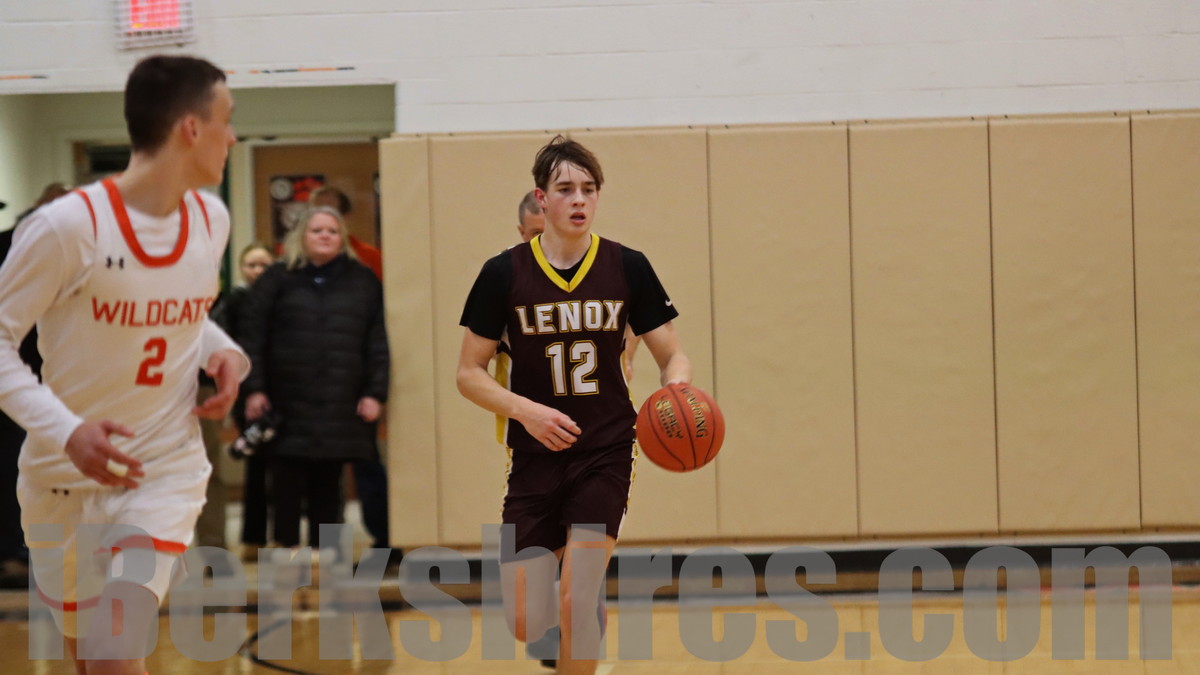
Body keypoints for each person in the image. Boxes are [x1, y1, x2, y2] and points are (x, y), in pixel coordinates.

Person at [0, 55, 246, 675]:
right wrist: (67, 431)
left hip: (162, 468)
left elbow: (183, 314)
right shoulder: (66, 227)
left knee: (113, 648)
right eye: (227, 120)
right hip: (60, 477)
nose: (233, 136)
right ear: (192, 128)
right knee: (91, 658)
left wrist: (224, 352)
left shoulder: (211, 219)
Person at [458, 136, 691, 674]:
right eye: (565, 189)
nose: (579, 199)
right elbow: (468, 374)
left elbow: (672, 353)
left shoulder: (628, 266)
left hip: (605, 450)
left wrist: (677, 389)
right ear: (542, 199)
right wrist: (527, 412)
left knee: (577, 603)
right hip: (535, 456)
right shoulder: (503, 273)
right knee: (526, 620)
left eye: (589, 188)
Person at [241, 206, 389, 556]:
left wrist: (375, 393)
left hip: (341, 401)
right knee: (286, 482)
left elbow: (377, 341)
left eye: (332, 231)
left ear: (342, 239)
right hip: (285, 401)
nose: (325, 236)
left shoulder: (362, 280)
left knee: (330, 484)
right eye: (317, 230)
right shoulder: (276, 279)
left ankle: (325, 560)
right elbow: (252, 338)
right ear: (301, 236)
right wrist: (254, 389)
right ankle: (287, 554)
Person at [0, 183, 69, 589]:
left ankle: (26, 549)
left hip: (39, 375)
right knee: (17, 464)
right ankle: (16, 550)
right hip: (21, 375)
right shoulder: (23, 246)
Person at [207, 242, 274, 563]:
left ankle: (286, 539)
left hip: (285, 390)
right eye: (251, 265)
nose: (257, 271)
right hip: (247, 391)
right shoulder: (233, 301)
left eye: (264, 265)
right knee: (256, 465)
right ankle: (253, 539)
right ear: (242, 269)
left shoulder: (283, 297)